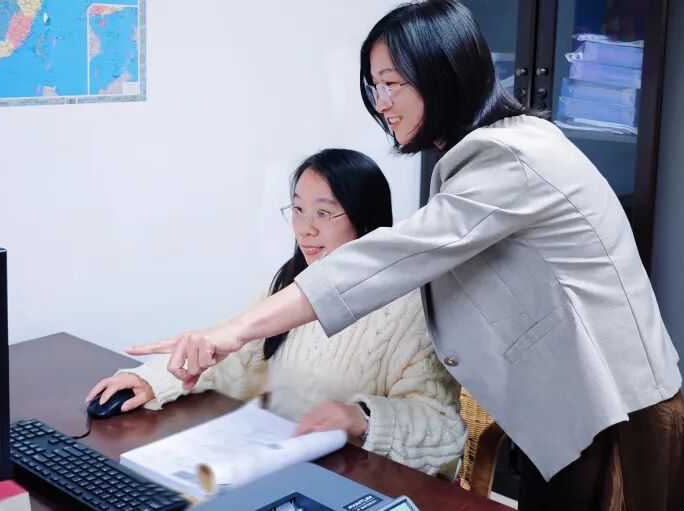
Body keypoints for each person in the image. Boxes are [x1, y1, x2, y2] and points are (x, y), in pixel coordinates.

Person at [128, 0, 684, 511]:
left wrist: (232, 330)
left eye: (392, 84)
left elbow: (391, 256)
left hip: (612, 405)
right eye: (375, 86)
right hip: (568, 402)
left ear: (443, 76)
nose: (381, 104)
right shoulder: (485, 154)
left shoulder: (510, 157)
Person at [89, 149, 466, 477]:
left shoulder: (412, 307)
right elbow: (232, 358)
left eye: (323, 213)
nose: (305, 229)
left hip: (361, 480)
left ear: (365, 219)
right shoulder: (292, 283)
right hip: (280, 463)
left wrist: (363, 417)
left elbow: (444, 430)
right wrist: (152, 381)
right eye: (298, 210)